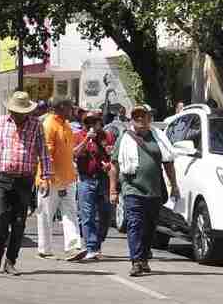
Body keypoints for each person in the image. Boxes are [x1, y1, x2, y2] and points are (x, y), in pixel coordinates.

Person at [0, 91, 52, 276]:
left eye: (22, 111)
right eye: (16, 111)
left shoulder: (36, 126)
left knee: (19, 222)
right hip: (3, 178)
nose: (19, 114)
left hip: (25, 180)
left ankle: (10, 260)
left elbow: (43, 152)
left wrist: (46, 177)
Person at [110, 105, 179, 277]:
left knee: (149, 227)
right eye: (136, 116)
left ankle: (144, 258)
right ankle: (136, 261)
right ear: (132, 119)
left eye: (143, 116)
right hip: (132, 188)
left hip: (154, 191)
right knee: (134, 224)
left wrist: (174, 185)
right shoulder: (125, 138)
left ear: (150, 118)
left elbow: (168, 162)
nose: (140, 119)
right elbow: (114, 164)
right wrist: (113, 190)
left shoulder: (159, 138)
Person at [36, 99, 85, 261]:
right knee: (46, 214)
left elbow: (69, 152)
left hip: (68, 178)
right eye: (70, 107)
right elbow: (45, 154)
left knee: (70, 212)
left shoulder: (66, 125)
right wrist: (44, 178)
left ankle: (73, 247)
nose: (73, 110)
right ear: (61, 107)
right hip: (50, 179)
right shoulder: (49, 124)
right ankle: (45, 249)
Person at [73, 111, 115, 261]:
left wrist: (109, 161)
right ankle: (91, 247)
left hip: (104, 179)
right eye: (88, 122)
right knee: (87, 214)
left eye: (95, 121)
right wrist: (86, 140)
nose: (92, 125)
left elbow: (113, 156)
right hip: (86, 179)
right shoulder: (78, 135)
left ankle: (97, 243)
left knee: (106, 214)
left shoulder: (107, 135)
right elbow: (75, 153)